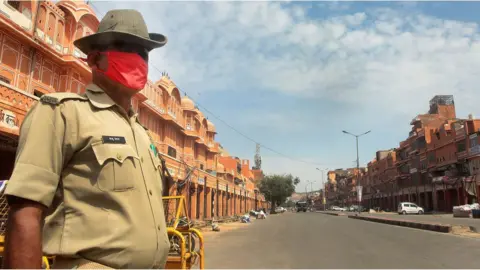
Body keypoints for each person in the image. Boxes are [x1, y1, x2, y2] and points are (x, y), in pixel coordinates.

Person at [2, 9, 170, 269]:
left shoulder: (141, 133)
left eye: (144, 52)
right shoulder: (63, 113)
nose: (138, 59)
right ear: (95, 58)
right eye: (126, 47)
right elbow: (25, 213)